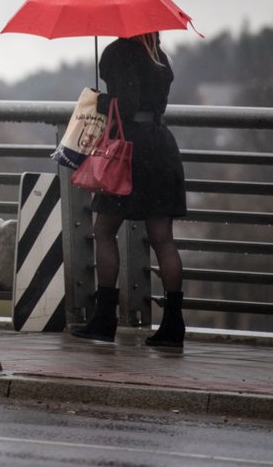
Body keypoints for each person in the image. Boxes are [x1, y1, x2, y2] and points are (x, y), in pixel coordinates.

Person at [70, 31, 187, 348]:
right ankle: (173, 326)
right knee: (163, 239)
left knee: (104, 231)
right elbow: (152, 102)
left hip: (130, 153)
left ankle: (104, 320)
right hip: (161, 146)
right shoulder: (158, 56)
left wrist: (99, 100)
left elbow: (126, 104)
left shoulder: (119, 52)